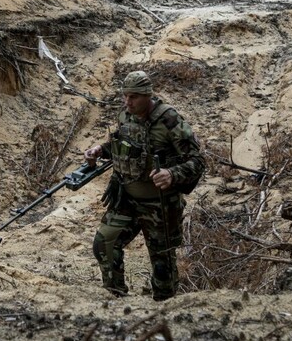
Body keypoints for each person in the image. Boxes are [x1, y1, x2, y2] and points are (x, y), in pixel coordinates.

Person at [84, 71, 205, 300]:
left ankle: (164, 308)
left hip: (160, 204)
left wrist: (172, 173)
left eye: (134, 97)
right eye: (125, 96)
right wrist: (100, 150)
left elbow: (198, 161)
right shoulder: (125, 116)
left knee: (162, 265)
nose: (127, 102)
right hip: (126, 199)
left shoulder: (169, 121)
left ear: (147, 96)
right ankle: (116, 298)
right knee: (104, 243)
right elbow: (122, 145)